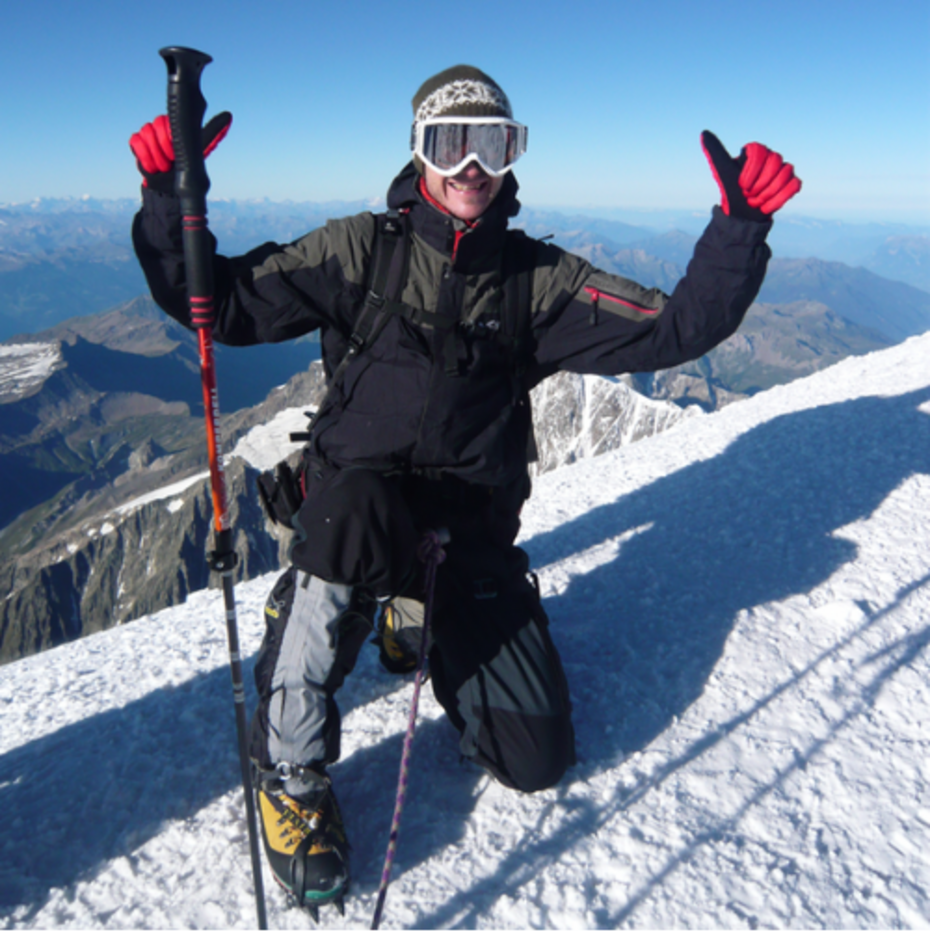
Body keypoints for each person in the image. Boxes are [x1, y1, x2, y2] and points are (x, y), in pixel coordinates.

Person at [130, 64, 800, 911]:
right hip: (356, 518)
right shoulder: (357, 252)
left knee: (535, 756)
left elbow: (673, 329)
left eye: (492, 143)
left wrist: (739, 230)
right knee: (352, 508)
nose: (470, 166)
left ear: (513, 155)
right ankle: (291, 770)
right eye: (450, 144)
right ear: (419, 153)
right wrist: (167, 199)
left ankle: (419, 612)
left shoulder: (538, 282)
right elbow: (216, 304)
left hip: (462, 538)